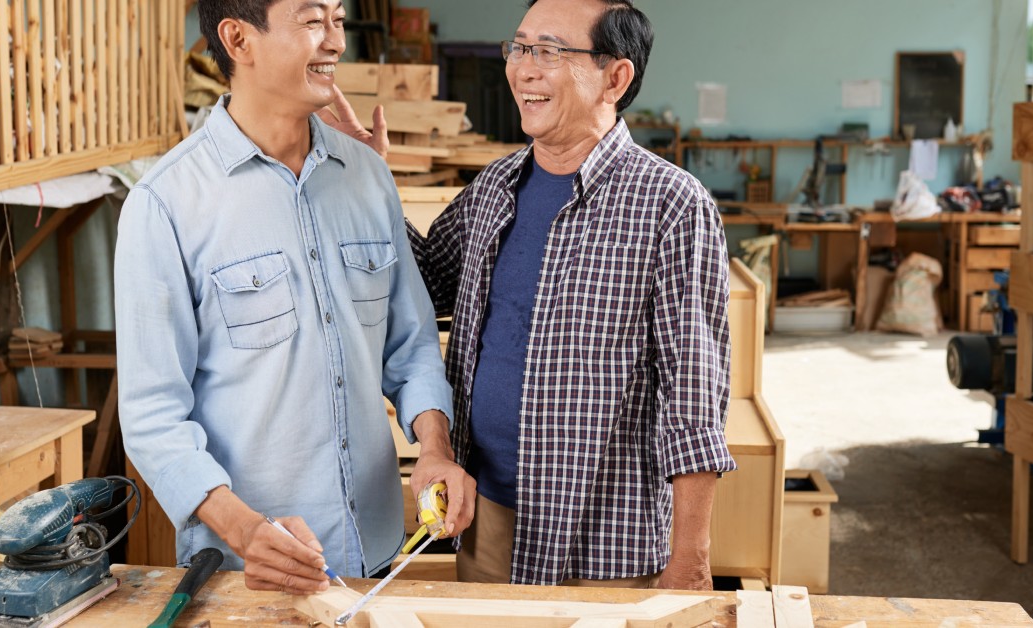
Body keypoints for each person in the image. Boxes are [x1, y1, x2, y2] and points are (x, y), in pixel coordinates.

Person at [114, 0, 474, 594]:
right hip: (247, 571)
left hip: (376, 554)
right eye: (312, 21)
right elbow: (155, 418)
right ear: (238, 38)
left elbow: (410, 349)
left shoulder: (368, 177)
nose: (334, 41)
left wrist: (434, 446)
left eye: (337, 20)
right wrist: (246, 530)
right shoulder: (165, 205)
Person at [407, 0, 736, 590]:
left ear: (616, 76)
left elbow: (694, 397)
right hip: (488, 521)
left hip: (605, 541)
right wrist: (364, 184)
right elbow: (425, 282)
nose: (523, 69)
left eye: (549, 51)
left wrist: (691, 557)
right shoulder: (494, 187)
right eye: (520, 47)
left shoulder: (672, 206)